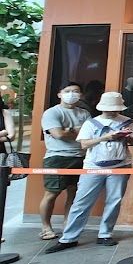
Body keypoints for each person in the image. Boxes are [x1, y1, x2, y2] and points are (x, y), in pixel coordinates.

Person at [45, 92, 133, 252]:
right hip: (93, 166)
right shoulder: (91, 123)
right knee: (81, 201)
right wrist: (106, 137)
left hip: (121, 164)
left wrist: (126, 136)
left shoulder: (127, 122)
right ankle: (69, 237)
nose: (113, 111)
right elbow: (84, 144)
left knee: (114, 200)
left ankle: (105, 234)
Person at [38, 82, 91, 240]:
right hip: (57, 157)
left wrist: (69, 130)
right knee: (51, 193)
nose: (72, 94)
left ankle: (68, 224)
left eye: (76, 91)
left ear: (81, 95)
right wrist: (76, 131)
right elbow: (58, 134)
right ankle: (45, 227)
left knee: (74, 193)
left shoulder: (85, 113)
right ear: (59, 94)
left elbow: (88, 135)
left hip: (81, 156)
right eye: (68, 91)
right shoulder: (51, 113)